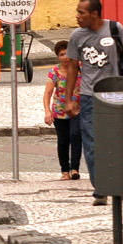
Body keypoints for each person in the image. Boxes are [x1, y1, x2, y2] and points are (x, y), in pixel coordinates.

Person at [67, 0, 123, 206]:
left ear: (94, 14)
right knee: (92, 144)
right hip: (90, 96)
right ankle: (101, 188)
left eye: (81, 12)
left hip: (115, 93)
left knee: (117, 141)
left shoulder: (116, 29)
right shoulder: (77, 36)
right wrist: (71, 98)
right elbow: (72, 66)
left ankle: (117, 183)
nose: (77, 16)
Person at [43, 39, 81, 180]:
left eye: (67, 53)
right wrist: (48, 112)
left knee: (76, 136)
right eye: (61, 54)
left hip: (78, 110)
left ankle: (75, 169)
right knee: (63, 140)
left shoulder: (80, 68)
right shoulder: (54, 71)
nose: (65, 57)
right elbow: (48, 93)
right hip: (60, 111)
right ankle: (65, 170)